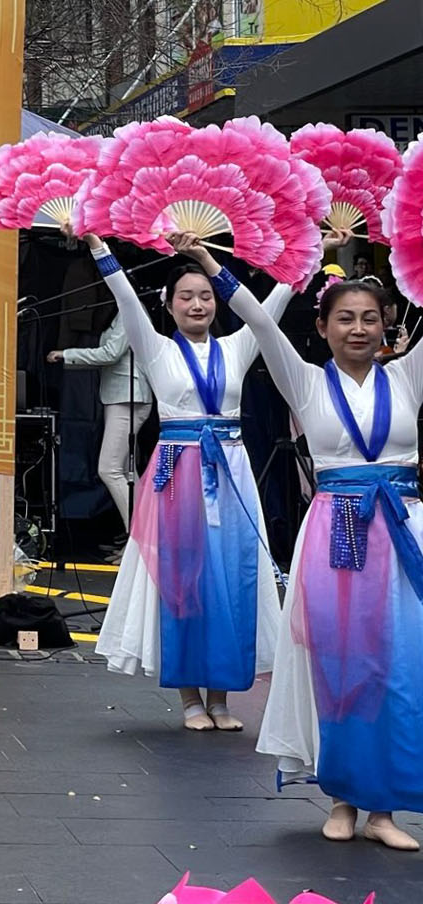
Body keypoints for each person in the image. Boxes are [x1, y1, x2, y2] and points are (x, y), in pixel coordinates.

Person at [181, 235, 423, 851]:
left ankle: (384, 809)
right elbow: (259, 319)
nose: (358, 329)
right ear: (322, 326)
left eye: (370, 318)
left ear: (387, 323)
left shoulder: (407, 376)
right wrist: (207, 261)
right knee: (340, 666)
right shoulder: (307, 382)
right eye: (345, 318)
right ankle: (341, 797)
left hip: (402, 531)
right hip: (338, 531)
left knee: (399, 668)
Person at [79, 229, 290, 731]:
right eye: (186, 297)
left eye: (205, 296)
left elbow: (270, 310)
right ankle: (191, 700)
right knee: (182, 583)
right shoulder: (155, 349)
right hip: (178, 472)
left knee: (232, 580)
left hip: (231, 471)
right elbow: (123, 296)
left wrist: (303, 263)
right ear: (168, 304)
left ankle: (221, 699)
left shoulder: (238, 347)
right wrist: (97, 247)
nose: (197, 305)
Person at [50, 304, 155, 549]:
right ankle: (143, 540)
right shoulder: (122, 311)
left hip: (128, 397)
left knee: (109, 469)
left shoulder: (130, 309)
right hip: (123, 396)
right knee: (126, 472)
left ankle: (139, 544)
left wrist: (66, 354)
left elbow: (111, 353)